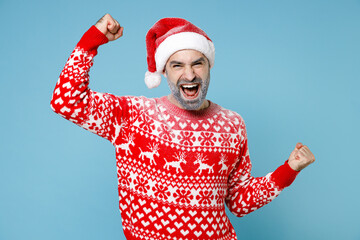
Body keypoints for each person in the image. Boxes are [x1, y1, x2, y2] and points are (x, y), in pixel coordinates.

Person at [51, 14, 315, 240]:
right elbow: (66, 101)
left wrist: (289, 169)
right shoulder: (133, 116)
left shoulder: (233, 125)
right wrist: (91, 40)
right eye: (178, 65)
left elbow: (239, 202)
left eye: (197, 63)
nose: (189, 75)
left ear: (209, 67)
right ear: (164, 71)